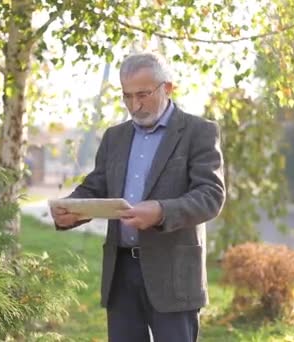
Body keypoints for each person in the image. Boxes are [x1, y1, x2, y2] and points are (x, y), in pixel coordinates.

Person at [50, 52, 225, 342]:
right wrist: (72, 208)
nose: (135, 105)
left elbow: (211, 195)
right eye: (127, 96)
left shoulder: (199, 132)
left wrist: (161, 211)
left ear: (167, 88)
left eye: (143, 94)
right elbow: (96, 186)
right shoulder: (114, 137)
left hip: (174, 275)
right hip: (121, 274)